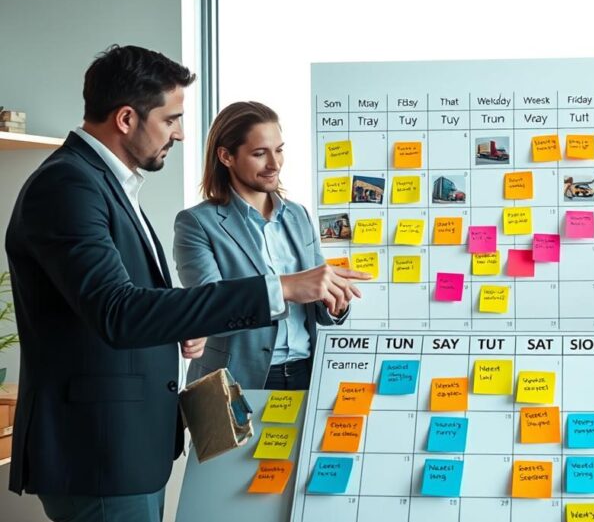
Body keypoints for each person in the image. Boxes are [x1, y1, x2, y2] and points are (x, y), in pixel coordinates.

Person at [3, 45, 359, 521]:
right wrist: (282, 288)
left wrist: (181, 323)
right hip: (100, 449)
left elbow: (122, 300)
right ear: (126, 119)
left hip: (126, 446)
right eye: (171, 119)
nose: (181, 132)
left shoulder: (104, 184)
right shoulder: (68, 185)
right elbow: (117, 311)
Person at [174, 101, 370, 390]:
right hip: (235, 379)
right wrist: (287, 286)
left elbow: (316, 305)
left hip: (304, 373)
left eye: (279, 150)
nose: (274, 164)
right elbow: (211, 309)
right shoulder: (197, 223)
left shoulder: (298, 215)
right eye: (259, 153)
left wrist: (335, 303)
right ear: (226, 156)